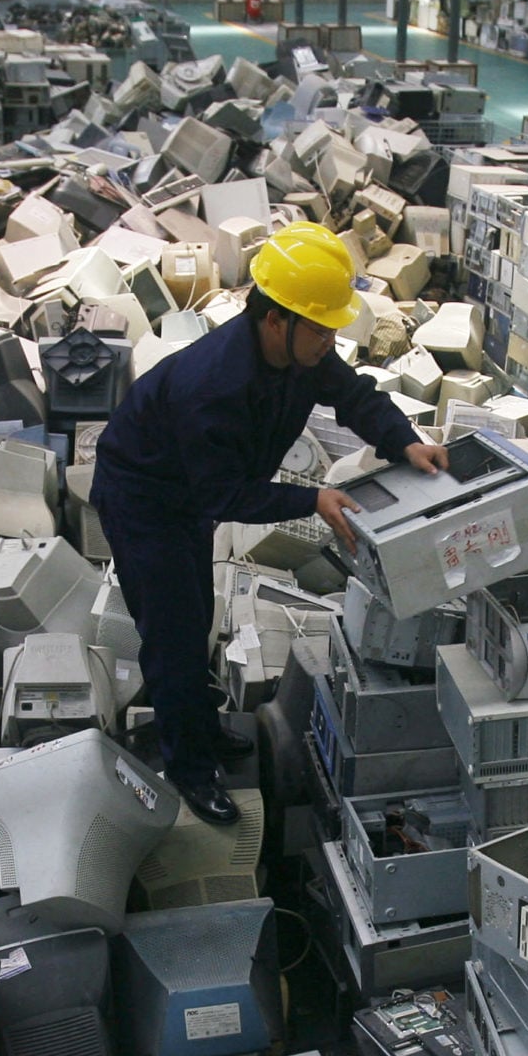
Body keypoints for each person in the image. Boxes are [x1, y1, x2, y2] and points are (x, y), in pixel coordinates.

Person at [92, 222, 449, 825]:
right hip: (144, 499)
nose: (328, 340)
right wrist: (314, 501)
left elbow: (355, 396)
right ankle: (188, 766)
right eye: (320, 328)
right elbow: (225, 493)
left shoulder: (301, 350)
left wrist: (405, 442)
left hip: (185, 493)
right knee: (174, 632)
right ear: (275, 318)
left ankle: (198, 727)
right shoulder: (214, 386)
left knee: (195, 613)